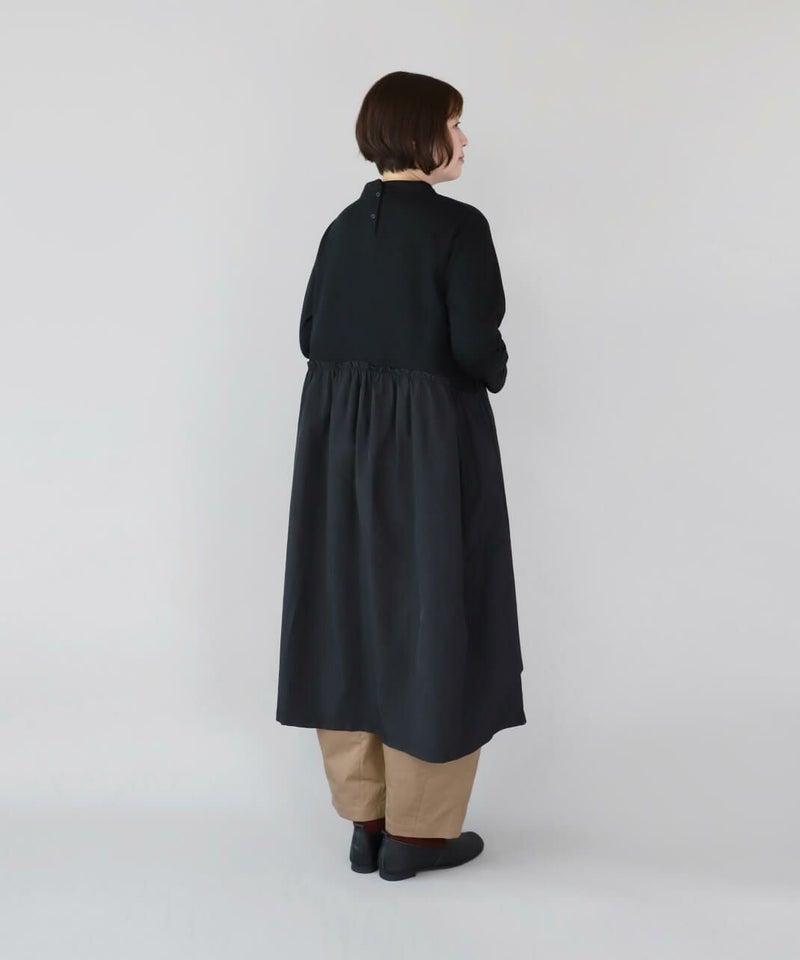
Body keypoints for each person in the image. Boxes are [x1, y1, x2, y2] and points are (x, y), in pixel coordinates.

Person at [276, 70, 526, 881]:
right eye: (455, 123)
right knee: (435, 610)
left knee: (347, 612)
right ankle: (418, 835)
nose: (464, 139)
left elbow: (311, 334)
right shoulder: (460, 227)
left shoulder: (341, 228)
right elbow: (474, 347)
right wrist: (492, 368)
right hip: (429, 445)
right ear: (421, 132)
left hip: (336, 448)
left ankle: (367, 822)